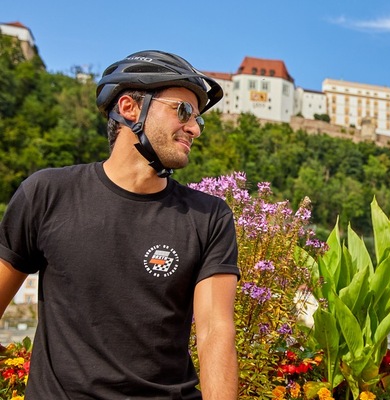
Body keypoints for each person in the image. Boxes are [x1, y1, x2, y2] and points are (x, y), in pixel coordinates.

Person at [0, 50, 240, 399]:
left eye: (198, 120)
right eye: (184, 111)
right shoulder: (47, 193)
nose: (194, 128)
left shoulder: (210, 216)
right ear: (129, 108)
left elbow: (215, 331)